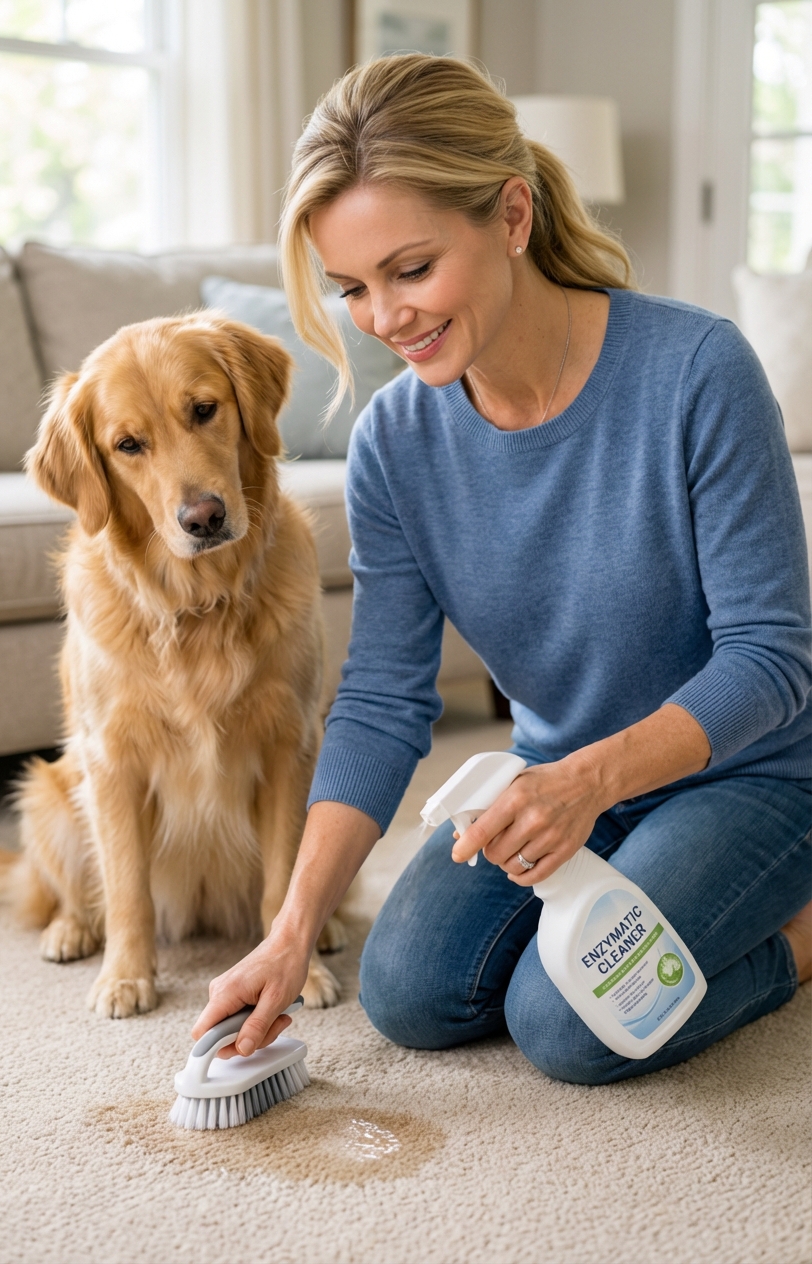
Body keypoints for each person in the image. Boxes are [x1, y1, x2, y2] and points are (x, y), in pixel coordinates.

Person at [192, 54, 812, 1083]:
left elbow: (770, 659)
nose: (385, 317)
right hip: (556, 779)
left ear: (511, 216)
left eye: (410, 268)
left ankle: (795, 935)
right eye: (352, 287)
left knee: (567, 1025)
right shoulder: (392, 440)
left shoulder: (697, 372)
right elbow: (385, 698)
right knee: (409, 993)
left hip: (746, 774)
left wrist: (587, 782)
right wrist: (290, 924)